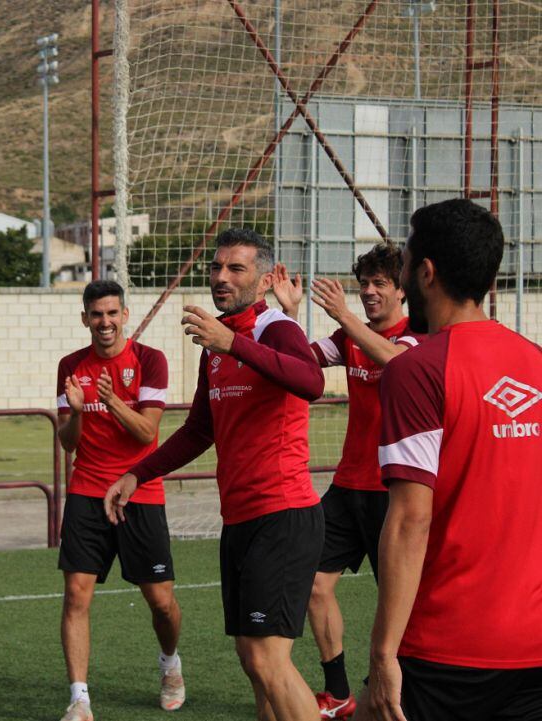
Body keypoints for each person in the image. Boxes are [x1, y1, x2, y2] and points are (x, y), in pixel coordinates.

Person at [104, 228, 326, 721]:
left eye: (236, 268)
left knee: (269, 660)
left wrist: (233, 342)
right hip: (241, 519)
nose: (221, 277)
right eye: (216, 267)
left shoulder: (274, 329)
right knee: (254, 660)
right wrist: (137, 474)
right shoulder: (216, 346)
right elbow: (198, 430)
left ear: (265, 279)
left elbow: (312, 381)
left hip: (284, 516)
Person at [361, 198, 542, 721]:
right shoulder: (534, 361)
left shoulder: (418, 371)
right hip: (531, 648)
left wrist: (382, 653)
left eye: (403, 263)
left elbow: (409, 521)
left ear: (426, 272)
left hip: (445, 648)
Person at [271, 245, 420, 718]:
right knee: (315, 585)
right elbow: (300, 363)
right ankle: (338, 694)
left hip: (397, 493)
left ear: (402, 289)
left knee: (404, 604)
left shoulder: (418, 338)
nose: (370, 291)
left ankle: (409, 689)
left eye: (380, 283)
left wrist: (345, 316)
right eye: (365, 283)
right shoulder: (349, 337)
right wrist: (291, 316)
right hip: (348, 487)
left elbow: (396, 361)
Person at [55, 279, 183, 721]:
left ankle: (170, 665)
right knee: (76, 594)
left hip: (138, 491)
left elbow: (148, 433)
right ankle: (79, 698)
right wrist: (75, 411)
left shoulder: (150, 360)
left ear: (124, 316)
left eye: (112, 313)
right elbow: (67, 443)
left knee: (161, 601)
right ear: (85, 318)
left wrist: (111, 402)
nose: (104, 322)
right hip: (87, 490)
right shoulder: (71, 365)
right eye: (96, 314)